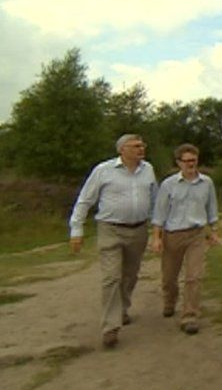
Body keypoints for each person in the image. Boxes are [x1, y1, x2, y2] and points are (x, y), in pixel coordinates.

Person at [69, 134, 157, 349]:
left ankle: (122, 308)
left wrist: (158, 229)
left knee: (130, 275)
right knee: (111, 277)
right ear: (122, 150)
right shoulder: (103, 170)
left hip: (138, 230)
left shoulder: (148, 170)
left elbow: (155, 200)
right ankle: (110, 327)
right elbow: (85, 200)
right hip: (110, 229)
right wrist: (76, 229)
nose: (141, 148)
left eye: (142, 144)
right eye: (136, 145)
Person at [150, 143, 219, 335]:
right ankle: (169, 300)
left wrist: (213, 231)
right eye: (186, 161)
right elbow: (159, 213)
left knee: (193, 276)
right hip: (173, 235)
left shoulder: (207, 183)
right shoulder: (169, 184)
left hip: (196, 234)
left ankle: (190, 315)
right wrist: (157, 237)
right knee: (169, 277)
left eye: (193, 160)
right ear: (178, 162)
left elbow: (211, 209)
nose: (190, 164)